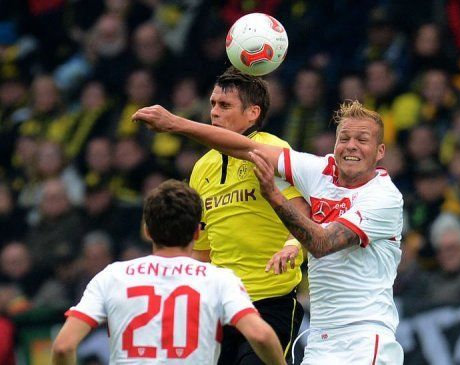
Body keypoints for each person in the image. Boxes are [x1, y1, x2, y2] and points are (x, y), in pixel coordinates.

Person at [133, 100, 404, 364]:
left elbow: (321, 244)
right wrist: (176, 124)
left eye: (362, 140)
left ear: (380, 151)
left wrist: (275, 197)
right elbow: (247, 148)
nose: (351, 146)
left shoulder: (383, 197)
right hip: (321, 340)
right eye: (344, 138)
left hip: (365, 337)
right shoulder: (320, 171)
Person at [139, 67, 307, 365]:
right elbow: (203, 247)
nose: (214, 112)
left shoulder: (272, 150)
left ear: (253, 112)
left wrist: (292, 245)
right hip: (221, 305)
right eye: (213, 104)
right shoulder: (202, 168)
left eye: (225, 105)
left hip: (271, 300)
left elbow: (302, 212)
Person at [51, 179, 286, 365]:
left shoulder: (111, 276)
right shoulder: (220, 279)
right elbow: (261, 336)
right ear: (197, 232)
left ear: (147, 231)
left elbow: (63, 346)